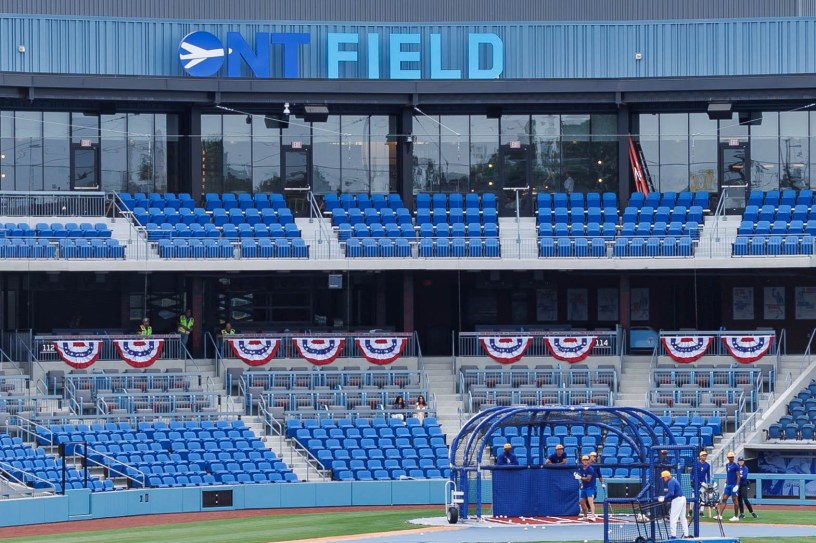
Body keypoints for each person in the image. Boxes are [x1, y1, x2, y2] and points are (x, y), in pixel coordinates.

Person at [659, 470, 690, 539]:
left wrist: (664, 498)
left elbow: (671, 493)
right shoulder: (674, 480)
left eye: (663, 478)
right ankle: (686, 535)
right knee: (683, 518)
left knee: (673, 518)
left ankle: (673, 536)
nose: (663, 479)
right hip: (683, 499)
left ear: (666, 477)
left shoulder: (670, 482)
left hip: (677, 500)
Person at [716, 451, 741, 521]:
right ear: (728, 458)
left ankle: (736, 516)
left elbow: (738, 476)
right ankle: (720, 515)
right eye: (730, 457)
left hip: (733, 485)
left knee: (735, 500)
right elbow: (728, 475)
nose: (731, 458)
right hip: (728, 485)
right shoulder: (727, 465)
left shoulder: (736, 466)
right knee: (724, 499)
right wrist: (726, 482)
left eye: (732, 457)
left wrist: (737, 485)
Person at [577, 455, 598, 520]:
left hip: (590, 487)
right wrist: (576, 475)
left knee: (590, 501)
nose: (585, 461)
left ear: (588, 461)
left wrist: (580, 477)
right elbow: (579, 475)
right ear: (582, 461)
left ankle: (593, 516)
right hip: (584, 487)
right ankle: (585, 516)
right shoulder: (581, 468)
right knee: (581, 501)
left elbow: (588, 479)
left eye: (586, 460)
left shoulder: (590, 469)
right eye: (584, 460)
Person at [695, 451, 712, 516]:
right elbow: (692, 473)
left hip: (703, 483)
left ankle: (701, 512)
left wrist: (708, 483)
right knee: (694, 496)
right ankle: (690, 510)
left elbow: (708, 475)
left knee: (703, 497)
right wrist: (692, 480)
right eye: (703, 456)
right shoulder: (696, 464)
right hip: (696, 483)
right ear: (700, 456)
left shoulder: (707, 465)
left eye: (705, 456)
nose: (704, 457)